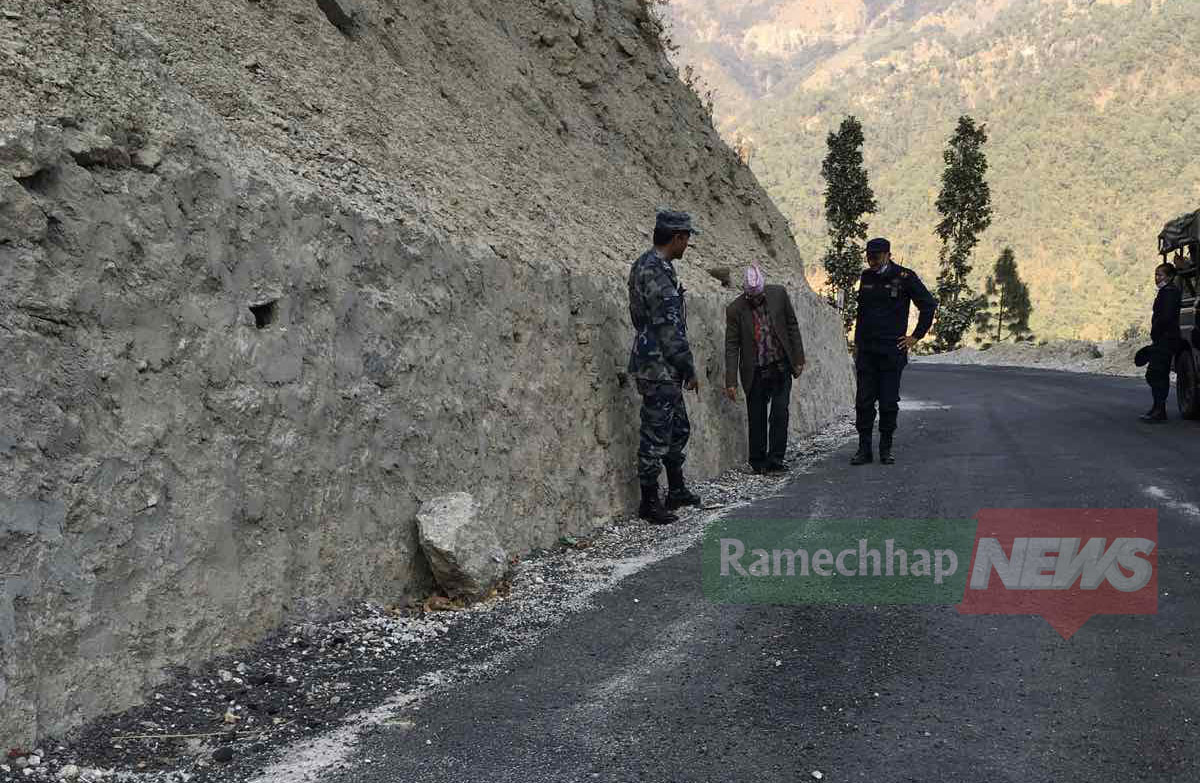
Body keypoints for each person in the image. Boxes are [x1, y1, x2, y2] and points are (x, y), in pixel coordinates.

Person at [627, 210, 703, 523]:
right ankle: (649, 502)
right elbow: (669, 328)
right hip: (659, 366)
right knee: (656, 435)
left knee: (678, 427)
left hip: (658, 363)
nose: (687, 245)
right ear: (677, 238)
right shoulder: (656, 271)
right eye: (686, 239)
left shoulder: (647, 265)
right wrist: (688, 367)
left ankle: (676, 489)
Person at [851, 237, 937, 465]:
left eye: (876, 257)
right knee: (863, 403)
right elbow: (862, 314)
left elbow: (928, 305)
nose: (872, 261)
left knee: (888, 403)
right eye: (869, 257)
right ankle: (864, 449)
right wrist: (857, 344)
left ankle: (885, 448)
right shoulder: (866, 277)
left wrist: (915, 336)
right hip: (867, 351)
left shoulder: (905, 277)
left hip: (891, 351)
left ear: (888, 255)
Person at [724, 265, 806, 473]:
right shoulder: (735, 309)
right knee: (757, 417)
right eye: (752, 297)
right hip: (755, 371)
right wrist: (731, 381)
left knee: (780, 413)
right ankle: (758, 461)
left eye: (759, 296)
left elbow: (792, 325)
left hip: (780, 365)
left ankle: (776, 459)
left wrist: (798, 359)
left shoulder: (778, 294)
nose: (756, 300)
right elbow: (732, 345)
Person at [1141, 261, 1181, 423]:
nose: (1157, 278)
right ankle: (1157, 407)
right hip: (1162, 338)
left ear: (1170, 277)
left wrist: (1157, 331)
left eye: (1160, 275)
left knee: (1156, 373)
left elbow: (1166, 317)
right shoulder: (1165, 292)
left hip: (1166, 338)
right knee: (1156, 373)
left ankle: (1159, 410)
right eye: (1156, 275)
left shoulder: (1169, 292)